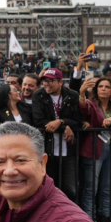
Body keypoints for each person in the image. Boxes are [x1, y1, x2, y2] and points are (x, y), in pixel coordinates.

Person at [32, 67, 82, 202]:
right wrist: (64, 127)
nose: (46, 84)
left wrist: (61, 121)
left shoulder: (72, 95)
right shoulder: (38, 95)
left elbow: (78, 121)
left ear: (60, 82)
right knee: (48, 189)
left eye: (50, 81)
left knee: (70, 189)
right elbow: (38, 121)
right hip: (48, 150)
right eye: (44, 81)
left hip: (68, 150)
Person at [77, 76, 111, 222]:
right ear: (96, 90)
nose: (103, 89)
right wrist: (82, 92)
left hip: (109, 150)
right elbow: (83, 108)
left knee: (106, 188)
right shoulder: (92, 104)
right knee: (92, 188)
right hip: (93, 150)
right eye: (100, 86)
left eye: (107, 87)